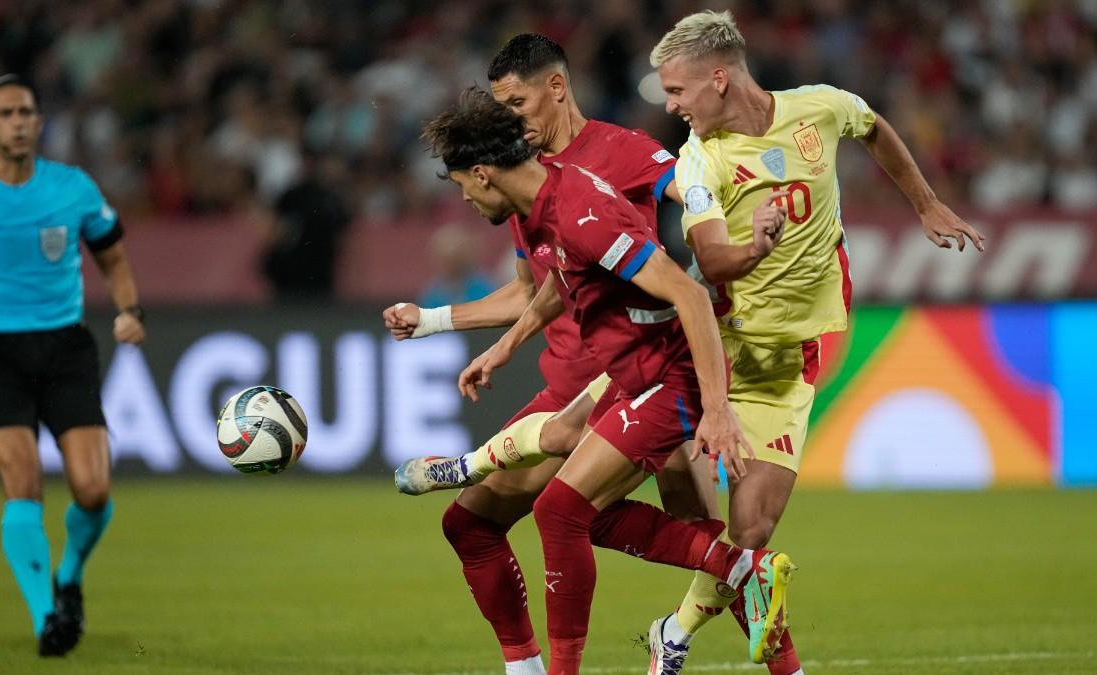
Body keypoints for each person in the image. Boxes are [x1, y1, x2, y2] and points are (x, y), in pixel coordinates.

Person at [384, 35, 777, 674]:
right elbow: (533, 289)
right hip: (569, 386)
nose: (510, 118)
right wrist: (440, 324)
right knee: (479, 527)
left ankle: (781, 654)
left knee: (640, 522)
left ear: (556, 87)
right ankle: (530, 666)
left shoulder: (620, 154)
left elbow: (693, 187)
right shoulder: (524, 179)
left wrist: (736, 229)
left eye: (517, 101)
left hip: (626, 379)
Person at [637, 10, 985, 675]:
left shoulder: (819, 109)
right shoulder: (700, 158)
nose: (671, 106)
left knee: (756, 529)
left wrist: (924, 202)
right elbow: (710, 261)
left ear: (719, 79)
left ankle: (672, 632)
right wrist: (754, 244)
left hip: (786, 360)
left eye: (677, 91)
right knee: (656, 490)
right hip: (713, 349)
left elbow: (874, 126)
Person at [0, 74, 146, 657]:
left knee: (92, 489)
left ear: (39, 122)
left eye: (27, 112)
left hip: (63, 348)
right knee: (23, 480)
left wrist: (129, 309)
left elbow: (112, 258)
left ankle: (69, 579)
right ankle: (47, 619)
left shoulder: (73, 189)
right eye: (6, 113)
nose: (18, 121)